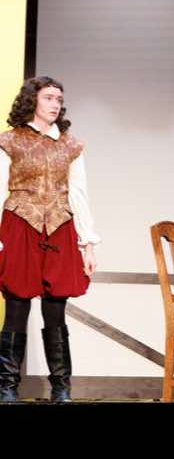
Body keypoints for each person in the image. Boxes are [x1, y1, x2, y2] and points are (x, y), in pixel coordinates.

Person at [0, 76, 100, 402]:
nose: (55, 104)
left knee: (55, 307)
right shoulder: (9, 141)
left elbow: (79, 194)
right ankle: (7, 388)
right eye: (48, 97)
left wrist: (87, 244)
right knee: (17, 305)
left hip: (59, 226)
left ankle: (61, 388)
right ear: (32, 100)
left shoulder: (71, 145)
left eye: (59, 99)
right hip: (20, 223)